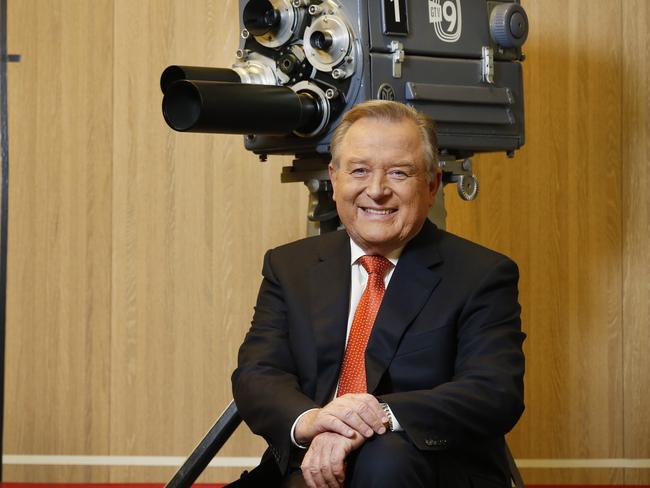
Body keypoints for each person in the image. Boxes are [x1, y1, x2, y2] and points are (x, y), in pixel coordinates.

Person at [232, 100, 525, 488]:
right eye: (359, 171)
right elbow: (258, 374)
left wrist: (377, 416)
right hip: (310, 469)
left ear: (433, 184)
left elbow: (494, 392)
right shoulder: (289, 267)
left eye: (399, 173)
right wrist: (314, 422)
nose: (377, 190)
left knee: (385, 458)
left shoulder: (482, 274)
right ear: (334, 178)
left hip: (425, 470)